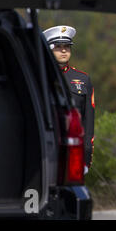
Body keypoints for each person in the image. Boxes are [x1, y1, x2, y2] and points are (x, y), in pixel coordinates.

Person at [43, 25, 95, 174]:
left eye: (67, 46)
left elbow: (88, 121)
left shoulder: (82, 79)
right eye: (58, 47)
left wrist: (86, 158)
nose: (64, 50)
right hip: (47, 149)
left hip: (73, 151)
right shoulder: (40, 77)